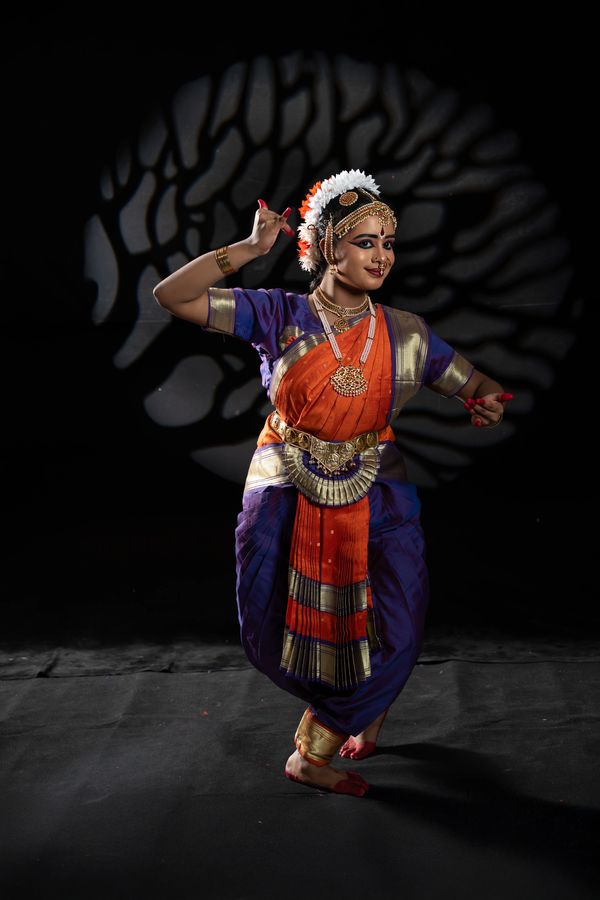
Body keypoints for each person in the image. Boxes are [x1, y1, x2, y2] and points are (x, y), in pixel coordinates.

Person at [153, 169, 512, 798]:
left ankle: (317, 747)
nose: (382, 256)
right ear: (328, 248)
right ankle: (358, 710)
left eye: (388, 243)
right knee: (270, 626)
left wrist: (485, 400)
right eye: (366, 242)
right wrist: (248, 250)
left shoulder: (406, 332)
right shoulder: (278, 314)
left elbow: (474, 382)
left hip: (379, 487)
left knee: (398, 622)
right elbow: (173, 297)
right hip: (286, 487)